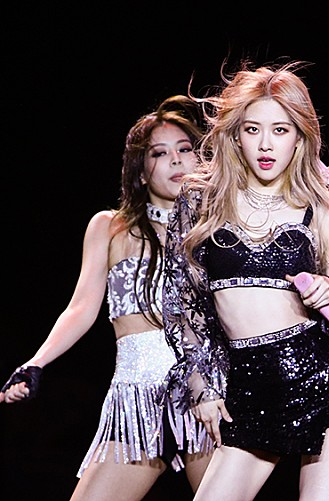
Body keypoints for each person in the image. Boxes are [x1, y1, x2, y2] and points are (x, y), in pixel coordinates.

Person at [162, 60, 329, 501]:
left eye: (280, 130)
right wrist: (201, 385)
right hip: (249, 391)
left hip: (322, 383)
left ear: (299, 137)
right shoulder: (200, 200)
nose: (265, 144)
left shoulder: (318, 208)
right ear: (235, 135)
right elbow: (181, 302)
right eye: (252, 129)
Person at [0, 95, 214, 498]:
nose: (176, 160)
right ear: (141, 173)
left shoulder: (216, 231)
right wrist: (35, 363)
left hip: (207, 390)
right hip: (135, 399)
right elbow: (81, 307)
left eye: (185, 150)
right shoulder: (110, 227)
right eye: (159, 153)